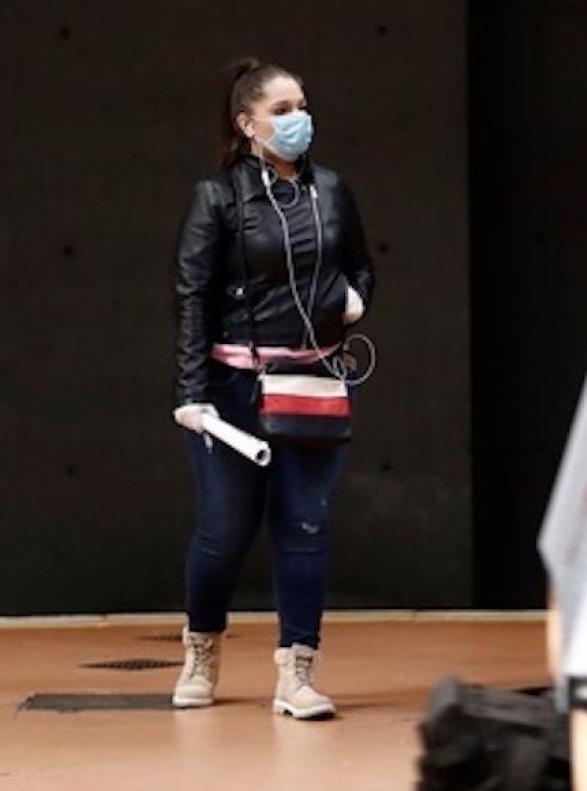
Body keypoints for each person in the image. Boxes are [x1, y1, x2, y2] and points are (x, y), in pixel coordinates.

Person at [170, 57, 375, 719]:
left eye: (302, 106)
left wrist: (354, 298)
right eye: (282, 110)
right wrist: (192, 392)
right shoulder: (219, 198)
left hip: (314, 379)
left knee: (305, 526)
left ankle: (298, 672)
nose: (297, 120)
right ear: (247, 123)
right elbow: (192, 298)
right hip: (234, 391)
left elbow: (363, 267)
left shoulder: (333, 191)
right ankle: (201, 646)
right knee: (225, 530)